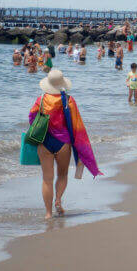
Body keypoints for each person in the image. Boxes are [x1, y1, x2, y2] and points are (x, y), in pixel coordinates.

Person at [28, 69, 102, 219]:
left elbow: (32, 119)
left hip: (44, 142)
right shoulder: (68, 100)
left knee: (47, 179)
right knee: (62, 175)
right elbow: (76, 124)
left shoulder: (40, 100)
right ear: (62, 83)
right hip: (63, 143)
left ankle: (48, 213)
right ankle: (58, 200)